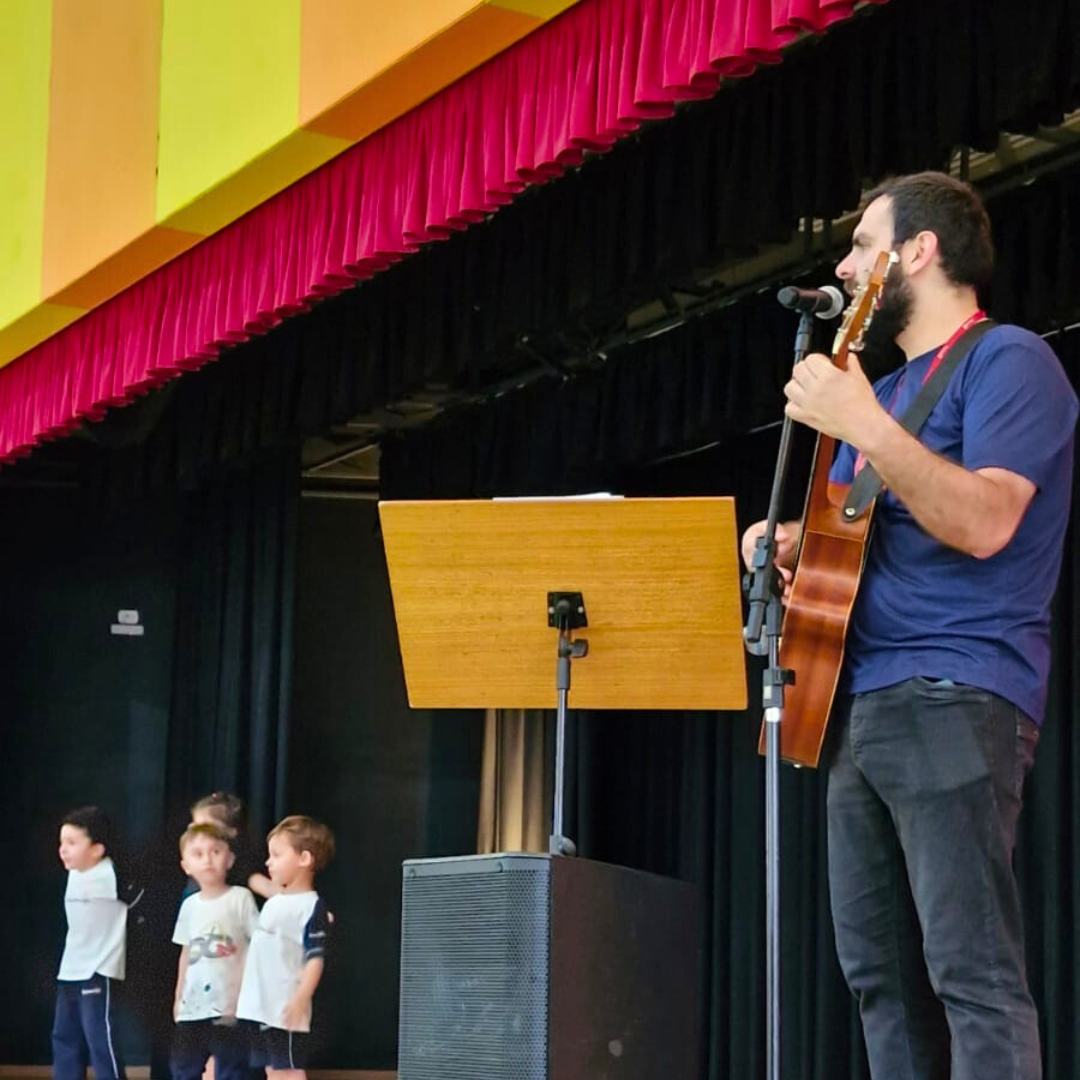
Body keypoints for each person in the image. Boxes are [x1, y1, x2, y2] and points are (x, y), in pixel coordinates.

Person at [741, 171, 1077, 1080]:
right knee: (878, 981)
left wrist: (861, 423)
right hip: (857, 702)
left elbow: (984, 521)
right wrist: (791, 547)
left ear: (919, 252)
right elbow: (859, 551)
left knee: (971, 973)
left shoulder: (1008, 360)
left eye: (861, 245)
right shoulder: (880, 397)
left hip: (956, 691)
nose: (846, 267)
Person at [237, 816, 335, 1080]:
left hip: (284, 1007)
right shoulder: (277, 898)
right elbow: (255, 881)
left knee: (287, 1070)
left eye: (277, 855)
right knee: (272, 1069)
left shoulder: (311, 906)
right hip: (261, 1007)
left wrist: (300, 998)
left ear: (304, 859)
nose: (269, 862)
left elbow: (316, 959)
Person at [53, 806, 144, 1080]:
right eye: (61, 843)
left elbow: (139, 899)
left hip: (97, 971)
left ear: (97, 849)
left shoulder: (109, 874)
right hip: (70, 969)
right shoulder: (74, 872)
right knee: (64, 1036)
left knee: (99, 1039)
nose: (63, 850)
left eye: (71, 843)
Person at [171, 822, 259, 1080]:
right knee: (184, 1067)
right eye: (198, 854)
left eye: (216, 852)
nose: (207, 859)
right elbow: (186, 953)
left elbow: (256, 947)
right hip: (193, 1006)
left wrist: (245, 994)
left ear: (229, 859)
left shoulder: (240, 898)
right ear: (186, 866)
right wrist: (178, 997)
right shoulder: (189, 906)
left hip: (229, 1007)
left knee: (231, 1068)